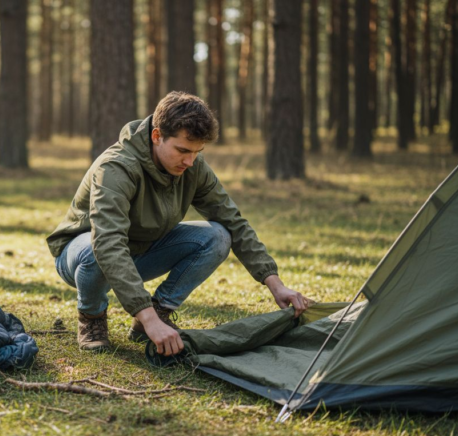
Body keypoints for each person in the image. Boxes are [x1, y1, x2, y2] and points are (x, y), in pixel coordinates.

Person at [47, 91, 309, 356]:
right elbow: (107, 243)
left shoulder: (193, 167)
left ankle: (158, 313)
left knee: (218, 235)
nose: (189, 161)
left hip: (141, 252)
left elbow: (232, 220)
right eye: (182, 150)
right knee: (96, 249)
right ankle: (92, 317)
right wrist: (144, 313)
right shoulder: (115, 168)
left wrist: (274, 282)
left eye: (197, 152)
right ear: (156, 135)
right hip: (82, 257)